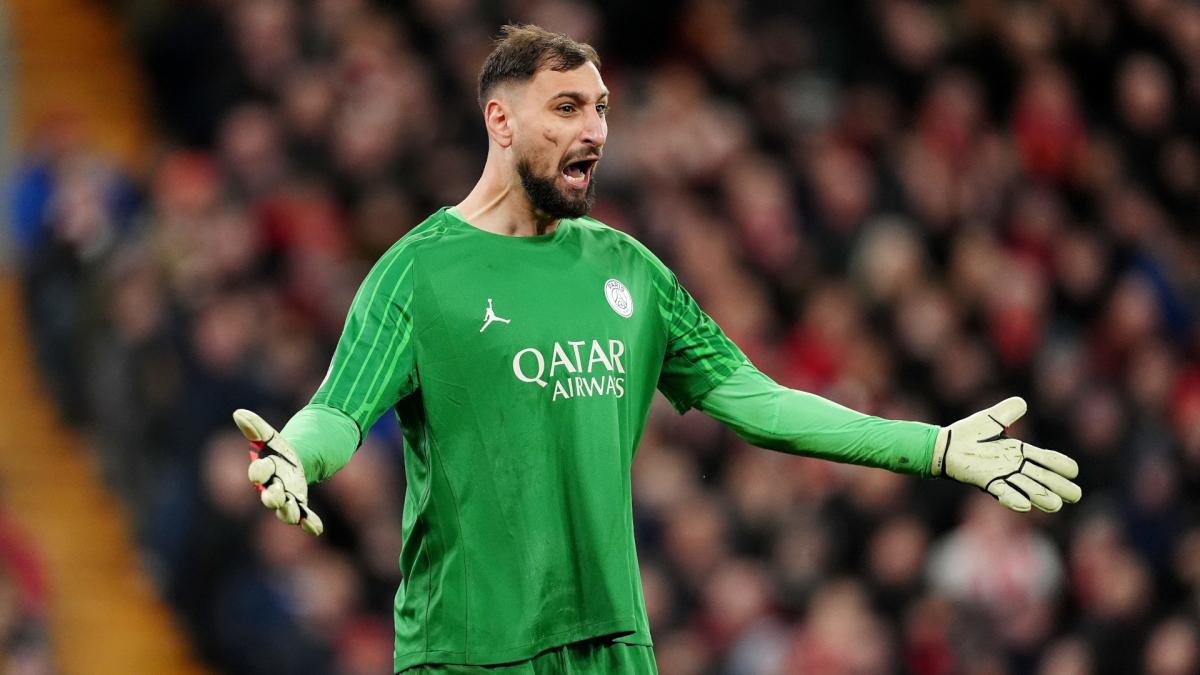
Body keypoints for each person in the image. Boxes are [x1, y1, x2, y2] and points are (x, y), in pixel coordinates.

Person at [231, 24, 1082, 674]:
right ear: (500, 119)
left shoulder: (629, 270)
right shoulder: (419, 272)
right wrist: (295, 455)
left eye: (602, 108)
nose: (595, 130)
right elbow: (338, 410)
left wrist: (930, 446)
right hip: (468, 650)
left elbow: (758, 400)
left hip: (613, 645)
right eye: (568, 108)